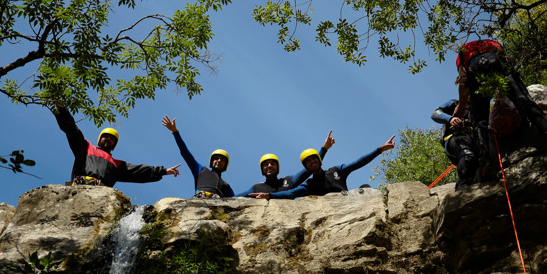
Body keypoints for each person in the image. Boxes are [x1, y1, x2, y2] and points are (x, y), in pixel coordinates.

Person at [450, 39, 547, 178]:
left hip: (475, 67)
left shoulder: (462, 52)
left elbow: (463, 76)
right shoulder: (493, 42)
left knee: (480, 118)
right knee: (523, 99)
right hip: (498, 62)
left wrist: (464, 98)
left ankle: (486, 161)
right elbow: (505, 59)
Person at [52, 105, 180, 187]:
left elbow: (139, 171)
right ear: (99, 140)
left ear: (114, 145)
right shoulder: (86, 148)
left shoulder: (116, 164)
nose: (108, 139)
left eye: (112, 139)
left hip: (101, 193)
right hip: (81, 186)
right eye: (105, 136)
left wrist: (163, 171)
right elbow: (72, 130)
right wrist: (62, 109)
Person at [250, 135, 396, 200]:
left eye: (314, 159)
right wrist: (270, 195)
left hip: (348, 200)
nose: (312, 162)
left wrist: (380, 150)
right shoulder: (309, 185)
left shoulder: (336, 170)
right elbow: (290, 194)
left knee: (365, 188)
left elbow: (358, 162)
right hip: (332, 208)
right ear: (306, 167)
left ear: (319, 160)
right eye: (308, 161)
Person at [235, 130, 336, 197]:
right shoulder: (256, 188)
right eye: (266, 164)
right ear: (262, 170)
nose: (269, 166)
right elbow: (234, 198)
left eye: (272, 163)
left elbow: (310, 168)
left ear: (278, 168)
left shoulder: (289, 181)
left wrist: (324, 149)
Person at [161, 115, 234, 198]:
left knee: (252, 189)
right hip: (202, 201)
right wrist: (175, 132)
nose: (219, 160)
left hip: (219, 205)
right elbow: (185, 153)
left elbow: (236, 200)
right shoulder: (201, 170)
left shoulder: (226, 186)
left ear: (225, 165)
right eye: (216, 158)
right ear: (211, 161)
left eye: (222, 160)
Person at [432, 99, 478, 190]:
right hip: (456, 137)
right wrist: (450, 119)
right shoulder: (455, 103)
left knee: (475, 164)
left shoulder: (478, 108)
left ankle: (464, 183)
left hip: (474, 141)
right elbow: (435, 114)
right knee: (467, 155)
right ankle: (463, 187)